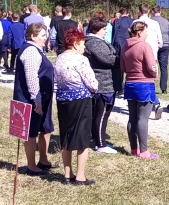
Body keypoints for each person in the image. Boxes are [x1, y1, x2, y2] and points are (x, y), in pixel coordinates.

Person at [54, 28, 98, 185]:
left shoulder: (59, 58)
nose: (84, 47)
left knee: (66, 135)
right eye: (82, 44)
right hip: (80, 100)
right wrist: (94, 89)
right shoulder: (80, 60)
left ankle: (67, 173)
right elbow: (92, 82)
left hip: (62, 100)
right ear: (75, 43)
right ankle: (80, 176)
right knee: (82, 137)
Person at [14, 23, 56, 177]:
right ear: (33, 36)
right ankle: (31, 166)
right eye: (43, 35)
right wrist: (36, 99)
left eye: (46, 35)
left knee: (46, 127)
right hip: (31, 99)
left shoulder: (37, 50)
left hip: (42, 97)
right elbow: (31, 76)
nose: (46, 38)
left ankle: (43, 160)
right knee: (31, 131)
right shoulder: (30, 50)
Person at [121, 21, 160, 159]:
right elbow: (151, 66)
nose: (147, 33)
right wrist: (155, 75)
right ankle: (144, 151)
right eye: (145, 31)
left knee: (132, 118)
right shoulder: (145, 46)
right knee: (143, 118)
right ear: (139, 32)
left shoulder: (125, 46)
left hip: (130, 84)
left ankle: (134, 149)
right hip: (144, 84)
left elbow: (123, 68)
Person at [83, 18, 120, 154]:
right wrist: (122, 58)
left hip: (106, 82)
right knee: (102, 113)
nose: (106, 31)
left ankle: (98, 137)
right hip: (103, 83)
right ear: (96, 30)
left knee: (101, 113)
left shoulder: (98, 41)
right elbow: (108, 59)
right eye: (104, 29)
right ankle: (100, 143)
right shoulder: (94, 43)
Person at [132, 4, 163, 118]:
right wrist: (154, 49)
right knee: (151, 80)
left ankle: (152, 103)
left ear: (139, 11)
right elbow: (161, 41)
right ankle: (155, 103)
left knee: (139, 79)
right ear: (148, 11)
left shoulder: (135, 22)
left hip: (138, 54)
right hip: (152, 54)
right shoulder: (155, 23)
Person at [111, 8, 134, 97]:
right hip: (129, 44)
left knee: (119, 66)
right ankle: (129, 85)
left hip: (119, 44)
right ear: (128, 13)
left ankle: (119, 88)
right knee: (130, 65)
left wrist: (113, 45)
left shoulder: (117, 21)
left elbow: (114, 33)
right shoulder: (133, 21)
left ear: (120, 14)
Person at [152, 6, 169, 94]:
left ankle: (151, 86)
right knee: (164, 67)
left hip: (154, 45)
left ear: (153, 12)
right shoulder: (166, 21)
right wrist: (168, 43)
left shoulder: (150, 21)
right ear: (160, 12)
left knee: (151, 66)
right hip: (165, 45)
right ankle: (164, 88)